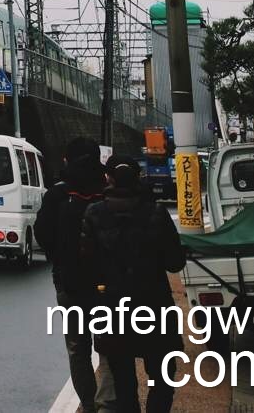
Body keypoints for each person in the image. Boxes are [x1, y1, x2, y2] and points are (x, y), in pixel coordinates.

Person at [81, 155, 186, 413]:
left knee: (123, 380)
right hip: (155, 304)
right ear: (138, 178)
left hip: (113, 308)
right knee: (162, 377)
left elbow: (87, 266)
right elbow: (174, 263)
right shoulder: (156, 213)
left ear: (109, 178)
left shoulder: (94, 213)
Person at [34, 136, 111, 413]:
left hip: (69, 280)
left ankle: (89, 405)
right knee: (109, 345)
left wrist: (60, 256)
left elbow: (41, 233)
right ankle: (108, 402)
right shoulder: (108, 190)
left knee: (78, 347)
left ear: (67, 159)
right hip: (108, 281)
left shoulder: (57, 194)